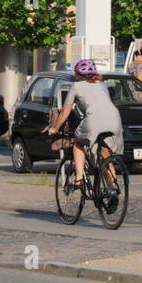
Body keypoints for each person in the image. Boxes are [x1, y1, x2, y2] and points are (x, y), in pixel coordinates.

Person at [45, 59, 123, 188]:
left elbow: (65, 111)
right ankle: (112, 189)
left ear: (77, 74)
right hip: (115, 119)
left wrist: (55, 127)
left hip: (94, 120)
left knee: (78, 143)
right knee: (105, 157)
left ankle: (79, 179)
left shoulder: (76, 86)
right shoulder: (102, 84)